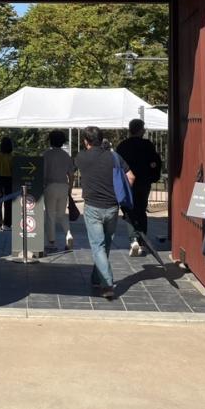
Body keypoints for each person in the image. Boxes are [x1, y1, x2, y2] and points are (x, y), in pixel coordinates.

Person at [74, 126, 132, 300]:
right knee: (105, 244)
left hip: (93, 207)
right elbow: (131, 176)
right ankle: (96, 277)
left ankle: (107, 284)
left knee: (98, 245)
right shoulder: (114, 156)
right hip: (112, 207)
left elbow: (72, 170)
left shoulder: (82, 157)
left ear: (86, 141)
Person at [116, 118, 162, 257]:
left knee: (129, 212)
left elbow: (117, 166)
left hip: (127, 184)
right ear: (141, 130)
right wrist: (153, 176)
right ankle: (143, 241)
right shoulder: (148, 145)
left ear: (130, 129)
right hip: (144, 183)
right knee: (141, 210)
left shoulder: (123, 146)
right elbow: (155, 162)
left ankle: (133, 239)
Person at [41, 129, 75, 252]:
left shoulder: (46, 155)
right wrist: (70, 188)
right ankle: (68, 234)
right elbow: (71, 175)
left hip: (50, 186)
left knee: (50, 214)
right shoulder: (66, 156)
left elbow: (42, 173)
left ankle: (51, 242)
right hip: (64, 186)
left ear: (51, 141)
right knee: (61, 214)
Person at [0, 137, 15, 230]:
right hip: (9, 180)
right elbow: (14, 169)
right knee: (8, 203)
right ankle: (7, 224)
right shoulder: (12, 156)